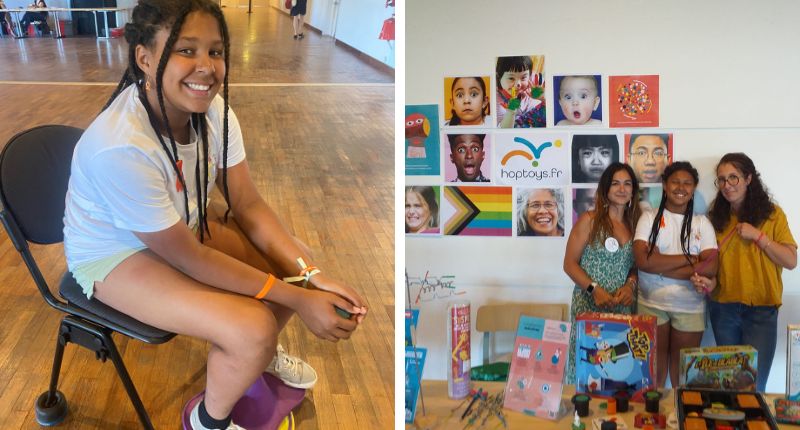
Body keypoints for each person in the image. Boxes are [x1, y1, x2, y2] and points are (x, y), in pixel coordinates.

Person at [62, 2, 367, 429]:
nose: (206, 67)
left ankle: (253, 360)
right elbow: (191, 258)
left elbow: (248, 204)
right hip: (115, 255)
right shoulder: (121, 145)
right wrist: (301, 298)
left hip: (176, 229)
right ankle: (209, 420)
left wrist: (311, 274)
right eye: (187, 50)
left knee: (290, 259)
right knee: (255, 328)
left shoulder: (214, 111)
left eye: (216, 51)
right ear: (145, 58)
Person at [690, 153, 797, 392]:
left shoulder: (773, 214)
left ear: (748, 178)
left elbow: (791, 261)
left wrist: (759, 237)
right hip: (724, 310)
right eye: (722, 180)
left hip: (762, 310)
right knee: (729, 386)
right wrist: (708, 283)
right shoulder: (714, 218)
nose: (727, 185)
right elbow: (716, 269)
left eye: (733, 178)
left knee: (754, 387)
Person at [632, 162, 718, 388]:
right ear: (664, 185)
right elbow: (642, 261)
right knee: (653, 374)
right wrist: (691, 258)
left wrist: (659, 264)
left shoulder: (702, 223)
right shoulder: (649, 218)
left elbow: (710, 266)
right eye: (675, 182)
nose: (681, 187)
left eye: (687, 183)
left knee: (683, 377)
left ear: (694, 187)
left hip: (690, 306)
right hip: (651, 303)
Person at [563, 162, 641, 383]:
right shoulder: (590, 219)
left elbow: (635, 266)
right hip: (589, 305)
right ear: (605, 188)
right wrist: (594, 289)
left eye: (627, 184)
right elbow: (569, 264)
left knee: (617, 368)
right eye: (615, 183)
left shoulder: (636, 224)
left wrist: (630, 285)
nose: (622, 189)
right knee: (587, 367)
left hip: (621, 307)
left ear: (633, 190)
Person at [495, 55, 545, 128]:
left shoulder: (534, 82)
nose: (518, 84)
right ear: (498, 77)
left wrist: (543, 98)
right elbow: (503, 132)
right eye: (511, 78)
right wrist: (511, 112)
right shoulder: (496, 101)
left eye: (523, 77)